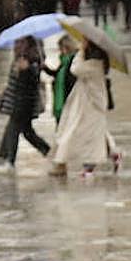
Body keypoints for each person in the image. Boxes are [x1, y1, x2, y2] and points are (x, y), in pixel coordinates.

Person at [49, 40, 112, 178]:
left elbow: (75, 69)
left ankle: (75, 165)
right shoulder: (95, 63)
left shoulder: (93, 64)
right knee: (95, 134)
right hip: (85, 105)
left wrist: (80, 52)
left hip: (90, 105)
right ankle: (113, 153)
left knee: (79, 134)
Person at [0, 36, 50, 168]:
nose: (15, 46)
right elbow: (13, 82)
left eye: (19, 43)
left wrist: (27, 71)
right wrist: (4, 93)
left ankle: (9, 160)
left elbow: (32, 84)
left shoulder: (32, 61)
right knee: (27, 132)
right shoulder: (19, 59)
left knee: (13, 129)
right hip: (16, 100)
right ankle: (48, 151)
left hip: (24, 103)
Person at [41, 35, 78, 124]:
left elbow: (70, 80)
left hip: (68, 101)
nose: (60, 51)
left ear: (67, 47)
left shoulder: (73, 61)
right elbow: (57, 74)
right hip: (60, 100)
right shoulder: (63, 62)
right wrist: (45, 68)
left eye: (61, 48)